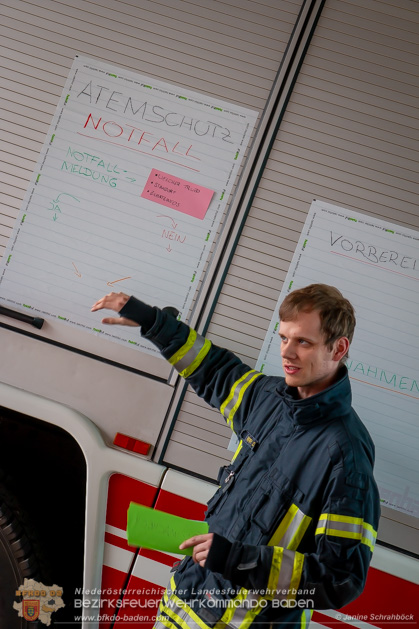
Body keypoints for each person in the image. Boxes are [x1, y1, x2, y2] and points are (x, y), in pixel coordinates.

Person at [91, 284, 380, 629]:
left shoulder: (346, 455)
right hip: (183, 608)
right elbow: (210, 367)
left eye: (303, 342)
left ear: (339, 348)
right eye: (284, 338)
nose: (287, 353)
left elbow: (340, 577)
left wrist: (236, 560)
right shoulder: (269, 397)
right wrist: (151, 320)